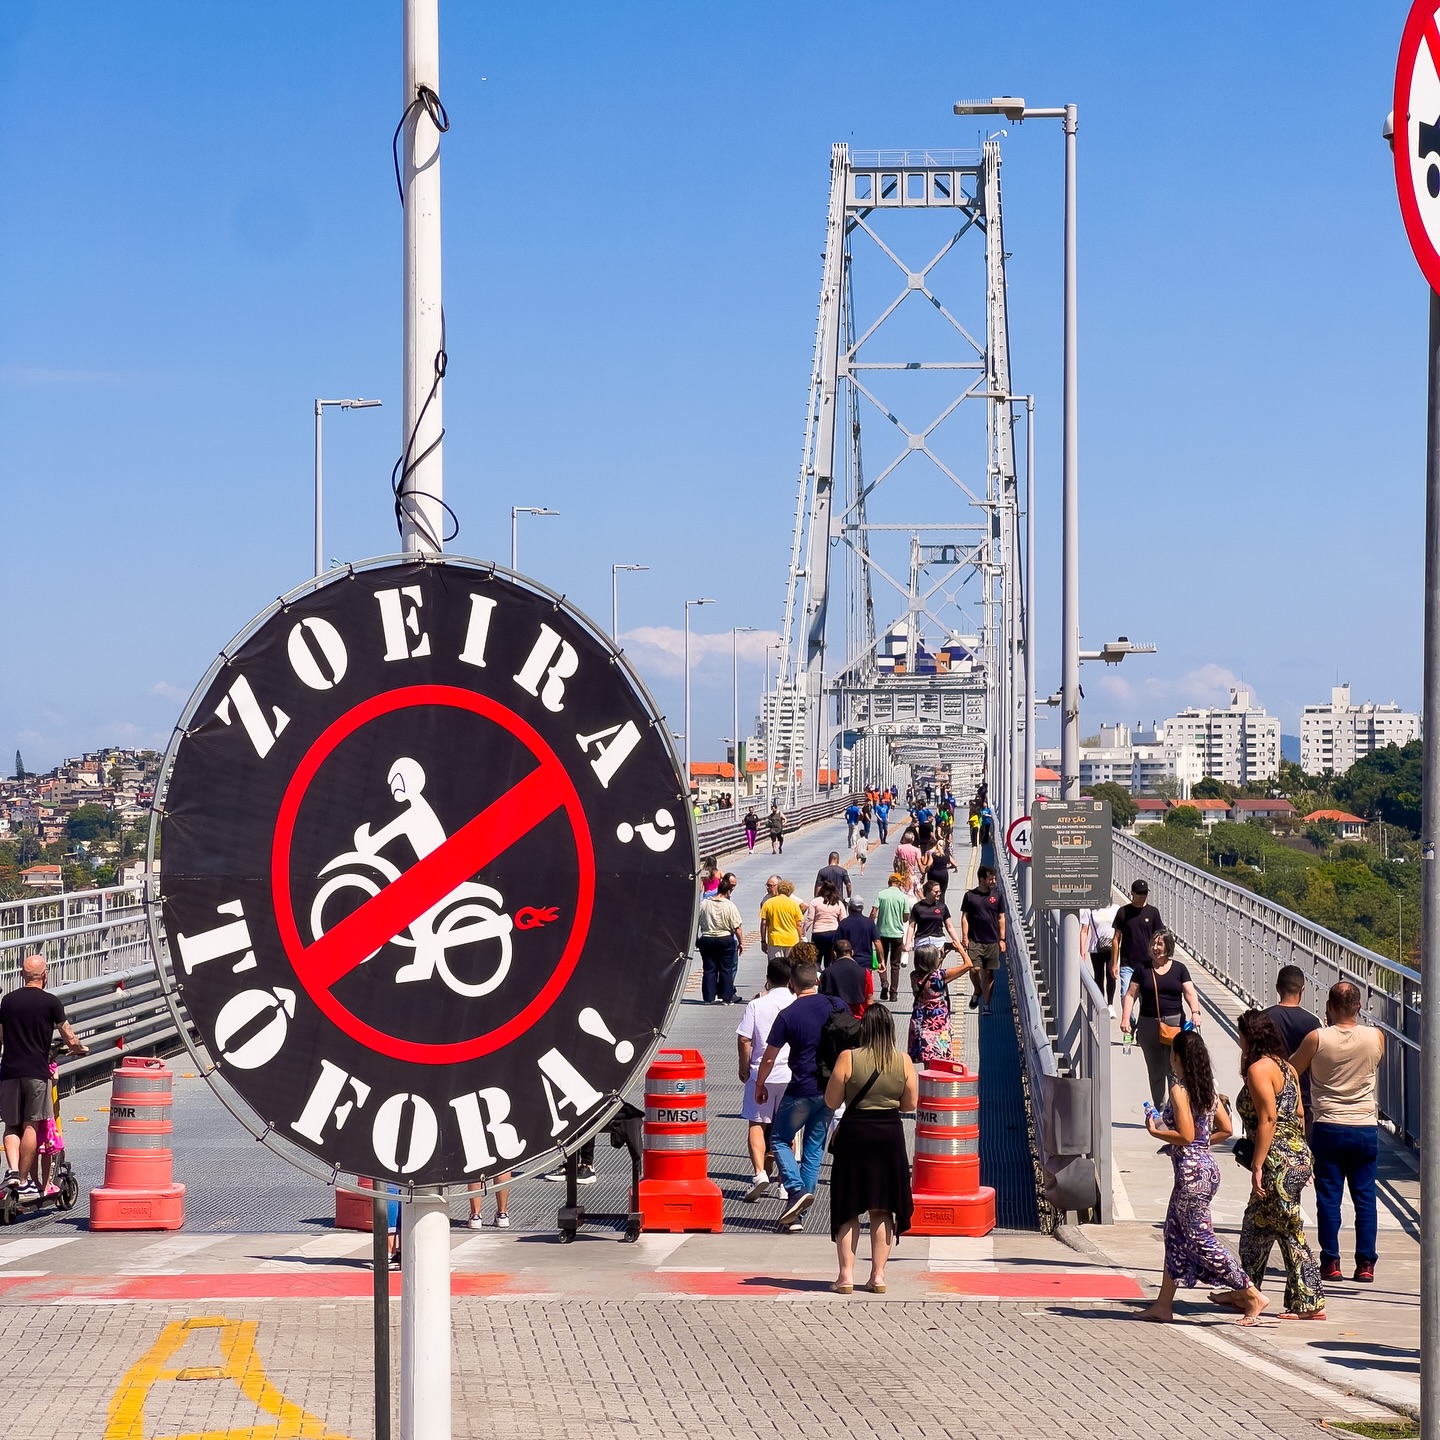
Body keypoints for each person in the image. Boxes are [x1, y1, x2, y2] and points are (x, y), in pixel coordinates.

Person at [1138, 1030, 1268, 1325]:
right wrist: (1198, 1144)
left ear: (1177, 1057)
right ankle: (1163, 1304)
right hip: (1205, 1169)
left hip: (1190, 1175)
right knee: (1174, 1234)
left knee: (1200, 1238)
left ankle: (1251, 1293)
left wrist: (1156, 1131)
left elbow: (1185, 1134)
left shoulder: (1179, 1091)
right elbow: (1225, 1129)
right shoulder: (1208, 1090)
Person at [1226, 1011, 1325, 1319]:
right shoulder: (1286, 1067)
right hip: (1293, 1154)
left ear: (1249, 1036)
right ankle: (1245, 1290)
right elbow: (1299, 1114)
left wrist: (1257, 1165)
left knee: (1289, 1229)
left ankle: (1309, 1302)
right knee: (1255, 1227)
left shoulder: (1258, 1069)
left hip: (1275, 1160)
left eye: (1241, 1034)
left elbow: (1268, 1118)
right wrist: (1301, 1157)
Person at [1291, 981, 1384, 1284]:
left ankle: (1331, 1261)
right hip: (1365, 1126)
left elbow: (1290, 1070)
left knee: (1329, 1196)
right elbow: (1376, 1062)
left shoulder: (1317, 1038)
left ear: (1329, 1007)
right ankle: (1366, 1263)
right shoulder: (1375, 1037)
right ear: (1359, 1007)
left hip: (1328, 1124)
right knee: (1365, 1197)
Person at [824, 1003, 918, 1294]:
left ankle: (845, 1276)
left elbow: (831, 1101)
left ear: (863, 1028)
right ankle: (878, 1276)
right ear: (890, 1029)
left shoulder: (848, 1058)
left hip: (855, 1135)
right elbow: (910, 1104)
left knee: (848, 1208)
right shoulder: (903, 1061)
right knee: (883, 1208)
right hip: (889, 1136)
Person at [755, 958, 846, 1229]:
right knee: (814, 1150)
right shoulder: (836, 1005)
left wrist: (760, 1084)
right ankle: (796, 1216)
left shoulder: (788, 1014)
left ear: (792, 984)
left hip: (800, 1089)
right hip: (830, 1089)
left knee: (779, 1139)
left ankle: (795, 1189)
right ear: (817, 981)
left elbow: (769, 1058)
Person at [0, 956, 87, 1195]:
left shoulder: (7, 1001)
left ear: (22, 975)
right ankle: (25, 1180)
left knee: (11, 1126)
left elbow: (1, 1037)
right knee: (31, 1124)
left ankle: (13, 1172)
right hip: (36, 1073)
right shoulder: (51, 1002)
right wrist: (79, 1048)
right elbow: (68, 1035)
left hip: (9, 1072)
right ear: (45, 975)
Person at [1121, 929, 1203, 1110]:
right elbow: (1131, 994)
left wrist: (1195, 1012)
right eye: (1153, 943)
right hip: (1148, 1024)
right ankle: (1160, 1109)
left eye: (1160, 944)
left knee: (1175, 1069)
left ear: (1168, 947)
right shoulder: (1142, 969)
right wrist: (1126, 1018)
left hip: (1175, 1024)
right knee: (1155, 1070)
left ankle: (1176, 1108)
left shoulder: (1179, 969)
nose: (1155, 947)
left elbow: (1190, 992)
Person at [737, 955, 794, 1201]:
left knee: (756, 1124)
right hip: (790, 1074)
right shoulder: (796, 1003)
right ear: (791, 979)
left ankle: (760, 1173)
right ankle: (785, 1182)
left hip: (761, 1072)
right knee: (787, 1129)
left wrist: (744, 1066)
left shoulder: (757, 1004)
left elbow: (744, 1038)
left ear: (768, 979)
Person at [1264, 965, 1322, 1135]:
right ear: (1302, 990)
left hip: (1269, 1094)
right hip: (1303, 1098)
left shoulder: (1262, 1018)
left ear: (1277, 987)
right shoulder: (1313, 1022)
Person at [907, 946, 973, 1065]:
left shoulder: (914, 976)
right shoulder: (940, 976)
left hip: (919, 1022)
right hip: (938, 1023)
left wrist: (942, 957)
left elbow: (929, 973)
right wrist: (960, 949)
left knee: (927, 1060)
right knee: (940, 1061)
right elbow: (968, 965)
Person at [959, 865, 1006, 1016]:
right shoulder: (970, 896)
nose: (994, 881)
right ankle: (977, 989)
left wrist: (1002, 939)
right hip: (975, 940)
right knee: (974, 969)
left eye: (994, 879)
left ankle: (986, 1005)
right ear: (981, 879)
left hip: (992, 941)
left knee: (989, 973)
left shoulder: (997, 896)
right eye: (990, 879)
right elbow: (965, 917)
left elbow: (1001, 918)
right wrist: (965, 937)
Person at [1113, 880, 1164, 1016]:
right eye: (1140, 893)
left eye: (1145, 893)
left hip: (1148, 964)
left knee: (1146, 1000)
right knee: (1125, 996)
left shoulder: (1153, 912)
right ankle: (1129, 1023)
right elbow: (1116, 938)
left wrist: (1161, 961)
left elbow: (1160, 938)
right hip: (1127, 964)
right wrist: (1114, 963)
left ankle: (1142, 1025)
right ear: (1132, 893)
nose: (1142, 896)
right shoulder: (1123, 912)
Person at [696, 874, 744, 1004]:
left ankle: (709, 997)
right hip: (725, 938)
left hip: (707, 938)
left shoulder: (705, 904)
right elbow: (737, 927)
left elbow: (695, 922)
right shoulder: (729, 905)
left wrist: (696, 938)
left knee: (709, 969)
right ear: (727, 891)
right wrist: (741, 943)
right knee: (726, 969)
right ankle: (726, 997)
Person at [871, 873, 911, 1003]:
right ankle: (893, 993)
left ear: (889, 882)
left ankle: (884, 982)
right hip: (897, 934)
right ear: (899, 883)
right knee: (895, 965)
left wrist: (871, 924)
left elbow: (874, 912)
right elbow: (906, 917)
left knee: (881, 961)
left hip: (882, 933)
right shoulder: (903, 897)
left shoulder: (881, 894)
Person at [1080, 902, 1119, 1016]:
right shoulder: (1089, 910)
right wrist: (1082, 949)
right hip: (1095, 948)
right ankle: (1100, 1003)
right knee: (1099, 976)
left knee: (1111, 974)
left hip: (1112, 948)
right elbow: (1084, 930)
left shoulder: (1116, 908)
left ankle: (1110, 1004)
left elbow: (1120, 929)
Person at [820, 939, 869, 1018]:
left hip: (835, 1018)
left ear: (834, 954)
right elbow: (869, 1001)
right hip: (858, 1018)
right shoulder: (865, 972)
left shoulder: (827, 973)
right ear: (852, 952)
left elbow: (822, 999)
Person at [760, 878, 805, 960]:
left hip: (775, 940)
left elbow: (764, 923)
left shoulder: (768, 903)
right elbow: (798, 925)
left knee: (777, 965)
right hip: (791, 939)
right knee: (790, 965)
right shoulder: (794, 904)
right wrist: (800, 939)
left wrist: (763, 941)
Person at [837, 896, 881, 981]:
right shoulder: (869, 923)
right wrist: (881, 961)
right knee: (865, 986)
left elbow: (836, 944)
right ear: (862, 908)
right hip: (866, 963)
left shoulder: (844, 923)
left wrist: (835, 962)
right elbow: (877, 942)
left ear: (849, 907)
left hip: (848, 962)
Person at [806, 880, 846, 969]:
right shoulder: (838, 903)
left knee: (816, 959)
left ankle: (817, 975)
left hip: (818, 933)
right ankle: (828, 976)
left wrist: (803, 931)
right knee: (830, 960)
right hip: (833, 933)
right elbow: (843, 920)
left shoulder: (815, 902)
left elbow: (810, 919)